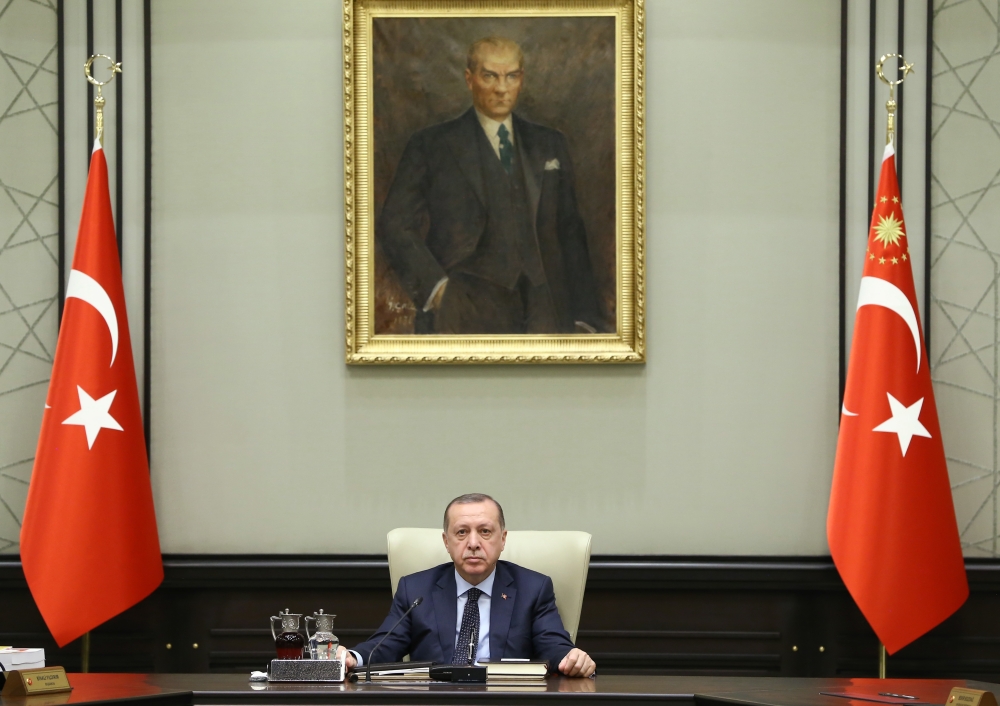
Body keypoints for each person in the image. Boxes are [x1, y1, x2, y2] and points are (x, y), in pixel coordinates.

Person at [377, 36, 605, 335]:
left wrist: (585, 317)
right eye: (490, 76)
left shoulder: (550, 144)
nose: (501, 88)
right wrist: (437, 290)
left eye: (511, 76)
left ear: (521, 80)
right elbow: (396, 224)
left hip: (546, 308)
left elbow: (570, 232)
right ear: (470, 79)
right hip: (462, 307)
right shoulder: (431, 145)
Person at [335, 493, 596, 677]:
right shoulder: (416, 590)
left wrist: (571, 659)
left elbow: (553, 644)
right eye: (461, 532)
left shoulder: (533, 588)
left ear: (502, 539)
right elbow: (385, 645)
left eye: (485, 531)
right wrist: (353, 658)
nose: (473, 543)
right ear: (446, 541)